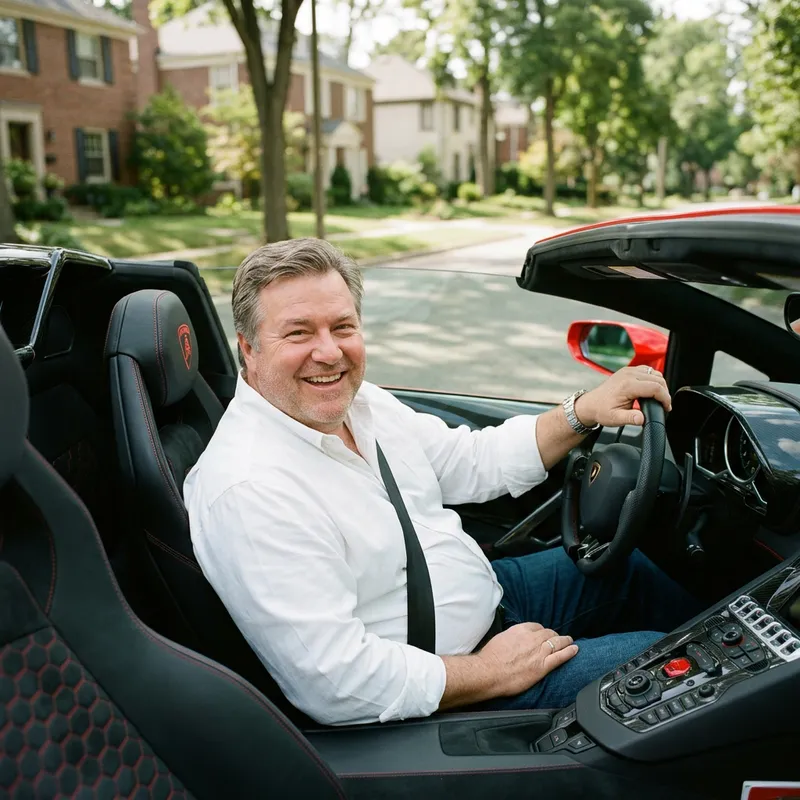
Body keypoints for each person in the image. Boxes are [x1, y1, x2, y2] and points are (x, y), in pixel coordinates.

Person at [184, 238, 699, 726]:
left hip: (492, 601)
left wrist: (580, 412)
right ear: (248, 349)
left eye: (343, 327)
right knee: (689, 667)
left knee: (626, 570)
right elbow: (335, 682)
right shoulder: (248, 488)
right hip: (451, 690)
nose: (330, 353)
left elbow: (469, 460)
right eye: (298, 333)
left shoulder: (361, 405)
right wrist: (492, 673)